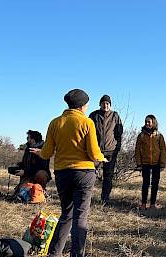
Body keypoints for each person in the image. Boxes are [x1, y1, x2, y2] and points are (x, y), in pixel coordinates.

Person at [30, 89, 107, 257]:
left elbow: (47, 152)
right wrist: (103, 158)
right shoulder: (87, 123)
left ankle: (54, 253)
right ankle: (77, 254)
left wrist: (40, 153)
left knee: (66, 213)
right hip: (84, 173)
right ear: (83, 105)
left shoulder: (55, 122)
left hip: (62, 173)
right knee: (80, 216)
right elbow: (94, 153)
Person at [88, 95, 123, 205]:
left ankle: (105, 199)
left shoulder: (115, 116)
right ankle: (86, 197)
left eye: (107, 103)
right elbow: (87, 132)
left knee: (108, 176)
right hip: (95, 151)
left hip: (111, 151)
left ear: (110, 105)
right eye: (103, 103)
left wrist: (117, 148)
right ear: (100, 104)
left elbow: (119, 133)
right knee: (89, 174)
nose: (105, 105)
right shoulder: (94, 115)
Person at [134, 114, 166, 209]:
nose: (147, 123)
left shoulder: (159, 136)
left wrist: (162, 164)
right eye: (146, 122)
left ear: (154, 123)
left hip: (156, 163)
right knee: (145, 184)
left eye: (149, 122)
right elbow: (137, 150)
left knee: (155, 184)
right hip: (145, 163)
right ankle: (143, 203)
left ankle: (152, 204)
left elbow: (163, 150)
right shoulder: (141, 135)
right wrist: (139, 164)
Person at [11, 130, 51, 195]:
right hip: (28, 175)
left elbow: (42, 167)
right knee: (22, 192)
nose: (27, 140)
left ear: (33, 139)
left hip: (38, 174)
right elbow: (25, 163)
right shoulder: (28, 149)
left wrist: (25, 172)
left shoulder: (44, 150)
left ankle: (41, 190)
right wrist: (17, 166)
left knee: (41, 174)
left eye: (28, 138)